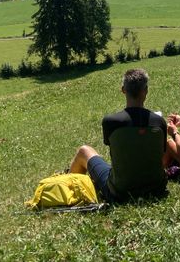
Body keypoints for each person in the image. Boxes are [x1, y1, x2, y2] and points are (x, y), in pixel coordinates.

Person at [69, 68, 167, 201]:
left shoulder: (111, 122)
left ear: (123, 90)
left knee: (84, 151)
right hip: (157, 187)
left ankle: (68, 187)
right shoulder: (159, 121)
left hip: (120, 191)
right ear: (146, 90)